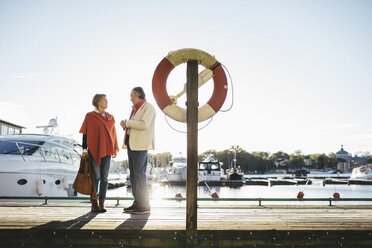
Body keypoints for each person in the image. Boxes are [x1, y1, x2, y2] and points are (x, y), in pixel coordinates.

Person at [80, 94, 119, 213]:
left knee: (105, 178)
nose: (107, 101)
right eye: (104, 100)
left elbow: (113, 134)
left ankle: (102, 203)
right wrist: (84, 149)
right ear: (98, 102)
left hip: (107, 150)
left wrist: (114, 148)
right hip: (94, 150)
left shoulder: (110, 117)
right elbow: (85, 133)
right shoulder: (90, 116)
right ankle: (94, 203)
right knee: (95, 177)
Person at [121, 87, 156, 215]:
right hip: (132, 144)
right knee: (134, 175)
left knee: (139, 175)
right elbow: (136, 125)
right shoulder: (137, 109)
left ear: (137, 94)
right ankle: (137, 203)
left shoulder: (148, 107)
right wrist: (126, 125)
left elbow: (144, 124)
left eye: (131, 96)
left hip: (140, 146)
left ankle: (144, 205)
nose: (130, 98)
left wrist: (128, 123)